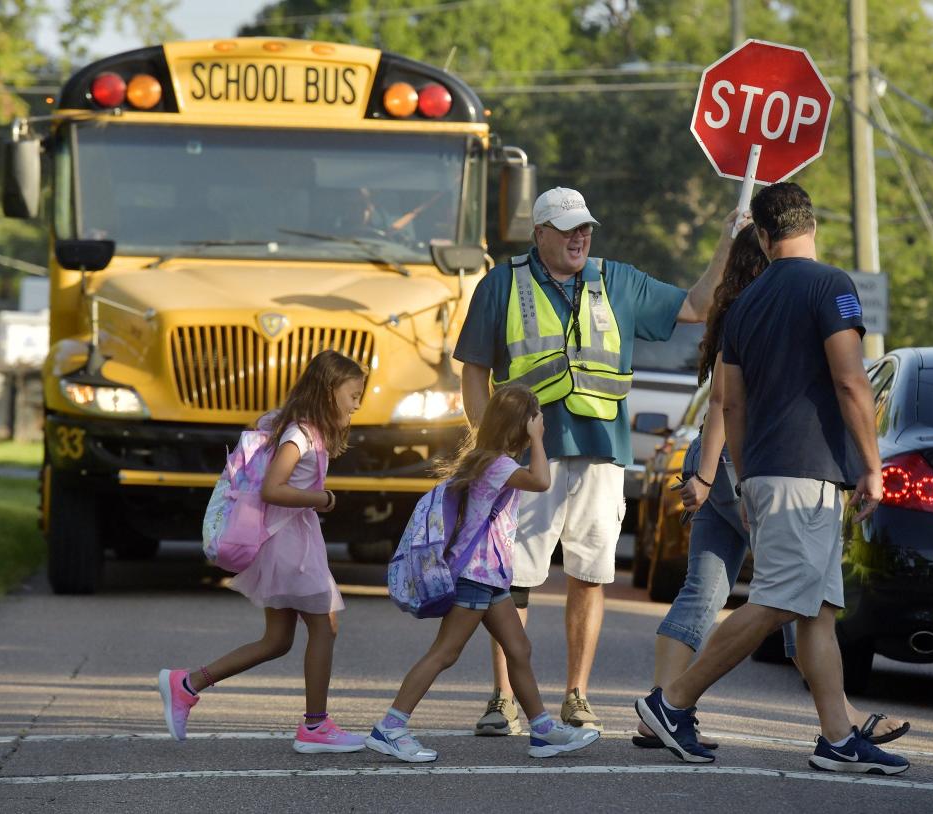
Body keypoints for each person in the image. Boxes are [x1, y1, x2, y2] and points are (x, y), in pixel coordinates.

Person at [635, 182, 910, 774]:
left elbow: (728, 404)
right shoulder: (831, 285)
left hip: (761, 471)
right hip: (806, 474)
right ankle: (673, 701)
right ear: (812, 225)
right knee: (780, 602)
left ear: (762, 235)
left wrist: (745, 471)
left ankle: (837, 737)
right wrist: (872, 466)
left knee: (817, 611)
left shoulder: (742, 304)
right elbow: (850, 381)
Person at [454, 187, 739, 734]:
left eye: (584, 227)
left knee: (590, 574)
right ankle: (503, 698)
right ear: (539, 234)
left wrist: (724, 244)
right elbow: (472, 370)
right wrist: (486, 446)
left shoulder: (619, 280)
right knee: (511, 579)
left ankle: (577, 695)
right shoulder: (501, 284)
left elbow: (698, 306)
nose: (579, 237)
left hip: (603, 455)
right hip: (524, 458)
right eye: (566, 230)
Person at [365, 384, 601, 761]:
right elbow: (541, 481)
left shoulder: (486, 460)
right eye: (533, 420)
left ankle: (542, 731)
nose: (536, 427)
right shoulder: (497, 465)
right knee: (445, 653)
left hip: (492, 578)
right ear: (519, 426)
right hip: (476, 576)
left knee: (519, 649)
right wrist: (539, 440)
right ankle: (390, 728)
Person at [157, 349, 367, 754]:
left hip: (289, 541)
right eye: (353, 395)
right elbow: (273, 488)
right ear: (328, 391)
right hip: (288, 545)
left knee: (277, 640)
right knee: (324, 626)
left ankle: (186, 684)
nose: (357, 405)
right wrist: (321, 499)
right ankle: (315, 727)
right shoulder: (299, 435)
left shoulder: (303, 430)